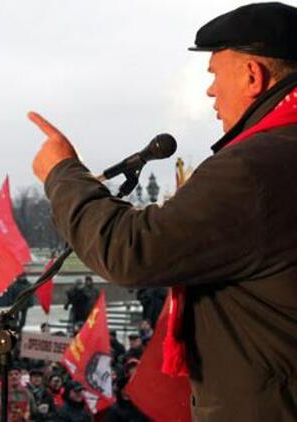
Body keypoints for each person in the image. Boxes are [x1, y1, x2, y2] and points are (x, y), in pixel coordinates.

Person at [29, 2, 297, 420]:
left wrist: (61, 173)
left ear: (252, 75)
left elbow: (131, 250)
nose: (210, 91)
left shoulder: (256, 169)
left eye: (214, 74)